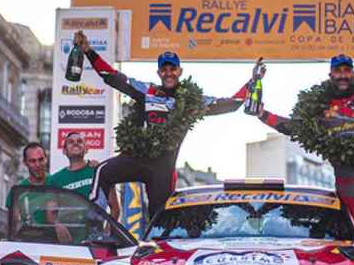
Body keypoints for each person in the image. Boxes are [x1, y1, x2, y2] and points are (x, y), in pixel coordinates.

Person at [76, 32, 253, 219]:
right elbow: (112, 77)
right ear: (159, 72)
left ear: (180, 71)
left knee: (159, 218)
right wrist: (88, 51)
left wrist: (253, 81)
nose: (168, 73)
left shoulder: (192, 100)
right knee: (103, 171)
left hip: (163, 169)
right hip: (139, 157)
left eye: (172, 69)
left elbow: (232, 104)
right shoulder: (148, 91)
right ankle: (96, 227)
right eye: (164, 69)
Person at [256, 54, 354, 226]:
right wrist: (264, 115)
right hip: (345, 174)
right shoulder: (319, 106)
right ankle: (353, 248)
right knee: (351, 222)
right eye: (338, 71)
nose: (343, 75)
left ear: (353, 74)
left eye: (347, 71)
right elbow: (295, 127)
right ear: (331, 75)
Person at [47, 131, 121, 216]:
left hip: (95, 229)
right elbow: (51, 215)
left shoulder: (99, 172)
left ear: (86, 149)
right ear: (64, 151)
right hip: (68, 228)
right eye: (71, 142)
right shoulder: (55, 179)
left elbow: (115, 208)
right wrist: (58, 227)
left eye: (79, 141)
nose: (75, 144)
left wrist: (108, 229)